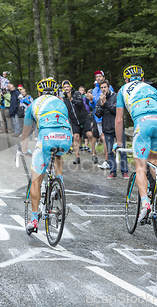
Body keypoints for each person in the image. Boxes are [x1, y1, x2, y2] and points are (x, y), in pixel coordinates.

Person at [114, 65, 157, 222]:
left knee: (140, 167)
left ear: (126, 80)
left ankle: (145, 204)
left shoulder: (123, 89)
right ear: (142, 79)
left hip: (143, 124)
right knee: (152, 159)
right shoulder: (152, 89)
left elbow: (118, 119)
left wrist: (118, 142)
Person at [20, 78, 72, 233]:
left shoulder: (32, 104)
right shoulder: (61, 103)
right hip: (66, 138)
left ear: (39, 92)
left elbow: (25, 132)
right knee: (58, 153)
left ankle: (34, 219)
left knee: (36, 180)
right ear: (55, 92)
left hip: (46, 138)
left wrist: (24, 150)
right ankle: (60, 182)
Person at [95, 79, 129, 179]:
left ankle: (124, 172)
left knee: (122, 149)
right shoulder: (99, 99)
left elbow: (115, 111)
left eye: (105, 87)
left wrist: (105, 103)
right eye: (101, 88)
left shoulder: (116, 97)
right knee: (109, 151)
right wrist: (101, 104)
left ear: (108, 87)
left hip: (117, 127)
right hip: (107, 128)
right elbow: (98, 114)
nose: (103, 89)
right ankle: (113, 171)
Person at [62, 80, 98, 164]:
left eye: (68, 86)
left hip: (84, 117)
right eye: (65, 87)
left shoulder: (77, 94)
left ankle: (93, 154)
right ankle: (77, 157)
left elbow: (80, 103)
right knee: (76, 137)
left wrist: (72, 99)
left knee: (89, 134)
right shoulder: (64, 98)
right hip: (74, 120)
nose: (67, 88)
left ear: (70, 87)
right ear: (63, 89)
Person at [91, 70, 114, 170]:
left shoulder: (108, 87)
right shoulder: (94, 90)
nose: (98, 78)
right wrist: (91, 100)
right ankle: (107, 160)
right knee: (104, 138)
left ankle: (107, 161)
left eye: (100, 76)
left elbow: (111, 100)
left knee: (106, 139)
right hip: (98, 118)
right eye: (97, 77)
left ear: (103, 77)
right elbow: (93, 106)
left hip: (108, 118)